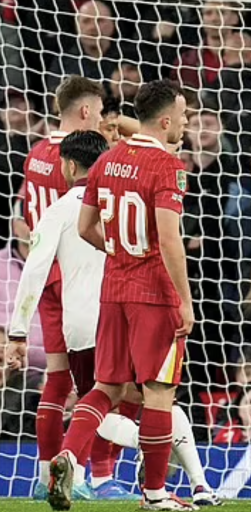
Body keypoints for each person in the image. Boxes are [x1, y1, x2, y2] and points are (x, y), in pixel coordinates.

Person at [47, 79, 196, 511]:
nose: (185, 122)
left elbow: (84, 227)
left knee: (106, 386)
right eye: (183, 115)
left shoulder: (108, 161)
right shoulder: (169, 166)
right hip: (154, 293)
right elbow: (169, 239)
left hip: (113, 290)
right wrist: (185, 299)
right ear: (165, 120)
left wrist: (116, 250)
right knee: (158, 392)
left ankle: (68, 456)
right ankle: (153, 495)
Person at [9, 75, 105, 501]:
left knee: (57, 380)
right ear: (85, 112)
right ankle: (93, 476)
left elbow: (29, 220)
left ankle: (47, 474)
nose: (103, 119)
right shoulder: (87, 159)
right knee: (104, 384)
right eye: (101, 112)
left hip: (45, 275)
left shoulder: (35, 154)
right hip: (79, 275)